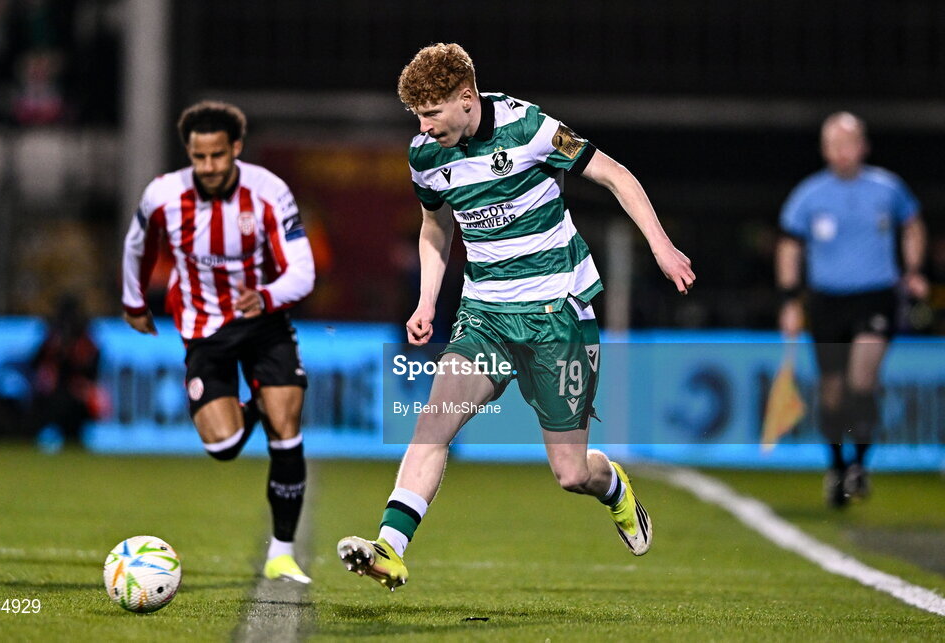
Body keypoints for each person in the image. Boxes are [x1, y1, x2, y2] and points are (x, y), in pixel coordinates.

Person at [337, 43, 695, 590]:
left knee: (570, 473)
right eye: (417, 117)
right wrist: (427, 301)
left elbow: (616, 175)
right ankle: (390, 546)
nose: (425, 127)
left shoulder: (529, 128)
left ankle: (614, 487)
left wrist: (662, 247)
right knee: (434, 422)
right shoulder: (426, 156)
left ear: (465, 98)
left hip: (557, 315)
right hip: (485, 316)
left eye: (432, 114)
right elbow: (436, 227)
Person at [122, 101, 316, 582]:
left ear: (236, 149)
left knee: (287, 430)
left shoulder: (269, 192)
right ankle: (258, 406)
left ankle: (282, 551)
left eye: (216, 156)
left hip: (264, 320)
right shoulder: (163, 195)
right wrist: (133, 303)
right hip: (204, 332)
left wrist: (268, 295)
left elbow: (303, 270)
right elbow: (135, 245)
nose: (207, 167)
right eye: (198, 157)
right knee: (224, 444)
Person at [777, 112, 927, 508]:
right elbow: (789, 247)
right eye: (833, 144)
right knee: (832, 392)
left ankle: (860, 464)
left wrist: (912, 271)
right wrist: (791, 302)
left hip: (875, 296)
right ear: (825, 149)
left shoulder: (887, 188)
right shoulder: (809, 194)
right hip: (826, 302)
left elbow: (913, 227)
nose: (841, 152)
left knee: (862, 380)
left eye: (848, 143)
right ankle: (837, 467)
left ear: (863, 146)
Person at [28, 295, 102, 448]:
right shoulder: (52, 341)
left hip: (78, 397)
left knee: (78, 403)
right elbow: (36, 365)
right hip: (53, 395)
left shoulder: (86, 343)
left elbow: (92, 372)